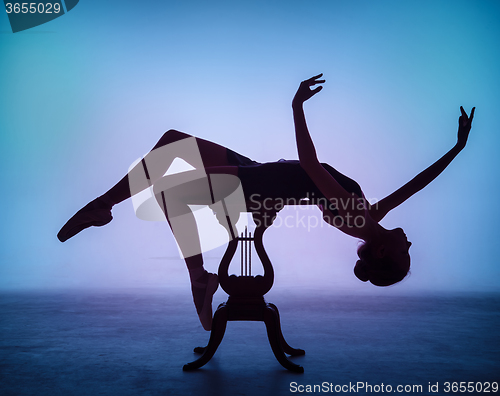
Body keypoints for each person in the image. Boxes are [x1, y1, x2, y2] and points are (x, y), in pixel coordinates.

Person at [58, 74, 475, 330]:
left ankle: (194, 273)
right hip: (262, 177)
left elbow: (310, 166)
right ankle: (108, 210)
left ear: (383, 251)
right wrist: (455, 150)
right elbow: (416, 184)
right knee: (170, 144)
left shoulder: (357, 216)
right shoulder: (368, 217)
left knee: (169, 174)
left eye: (405, 255)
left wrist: (296, 107)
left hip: (258, 188)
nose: (411, 245)